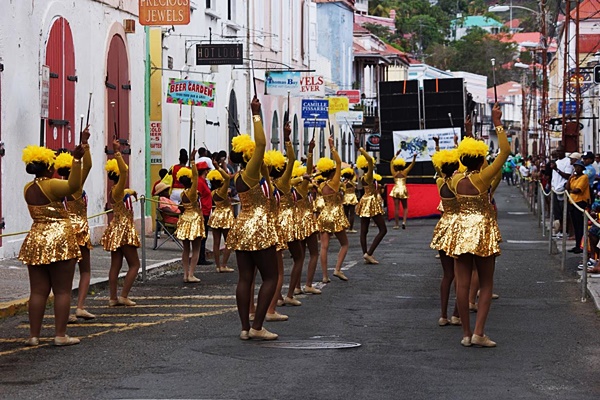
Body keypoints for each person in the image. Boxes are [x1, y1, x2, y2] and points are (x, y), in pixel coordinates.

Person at [442, 103, 509, 348]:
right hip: (482, 229)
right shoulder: (484, 177)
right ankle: (480, 331)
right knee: (486, 282)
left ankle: (466, 334)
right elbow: (504, 152)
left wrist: (468, 135)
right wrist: (497, 122)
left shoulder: (455, 179)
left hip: (460, 229)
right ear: (481, 160)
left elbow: (464, 160)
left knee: (461, 283)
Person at [19, 143, 85, 346]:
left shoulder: (28, 188)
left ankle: (33, 336)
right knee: (62, 290)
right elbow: (74, 187)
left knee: (38, 291)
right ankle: (60, 335)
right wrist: (76, 160)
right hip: (59, 238)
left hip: (36, 237)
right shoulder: (52, 185)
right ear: (48, 167)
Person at [227, 97, 279, 340]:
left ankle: (245, 328)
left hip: (242, 226)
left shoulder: (238, 176)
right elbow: (261, 143)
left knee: (245, 278)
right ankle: (257, 326)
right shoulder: (250, 172)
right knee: (271, 276)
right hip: (258, 227)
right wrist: (255, 113)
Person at [55, 128, 95, 322]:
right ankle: (80, 307)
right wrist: (84, 143)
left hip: (64, 230)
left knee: (66, 274)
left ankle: (68, 310)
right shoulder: (76, 186)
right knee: (85, 270)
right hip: (79, 230)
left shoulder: (55, 187)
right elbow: (88, 164)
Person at [101, 139, 141, 307]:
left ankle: (112, 298)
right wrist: (117, 152)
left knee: (115, 265)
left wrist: (131, 192)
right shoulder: (117, 191)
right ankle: (123, 295)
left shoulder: (115, 190)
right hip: (124, 229)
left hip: (115, 227)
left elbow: (124, 190)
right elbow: (124, 172)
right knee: (134, 264)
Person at [429, 146, 461, 327]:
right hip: (458, 228)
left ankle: (443, 315)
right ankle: (456, 314)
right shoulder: (459, 183)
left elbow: (438, 168)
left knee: (447, 275)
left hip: (443, 227)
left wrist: (438, 149)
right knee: (459, 274)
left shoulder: (440, 182)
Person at [317, 136, 350, 281]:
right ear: (331, 172)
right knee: (344, 243)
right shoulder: (335, 182)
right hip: (336, 214)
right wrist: (332, 146)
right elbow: (338, 162)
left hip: (324, 215)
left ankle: (324, 276)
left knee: (324, 247)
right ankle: (337, 269)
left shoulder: (321, 186)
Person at [292, 141, 321, 294]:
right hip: (307, 220)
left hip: (296, 221)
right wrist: (310, 152)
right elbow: (309, 169)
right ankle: (308, 284)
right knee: (314, 253)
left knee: (299, 256)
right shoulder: (302, 188)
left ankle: (296, 287)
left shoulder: (290, 188)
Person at [174, 149, 207, 282]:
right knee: (196, 249)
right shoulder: (192, 193)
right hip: (194, 220)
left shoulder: (182, 194)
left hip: (185, 220)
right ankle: (191, 274)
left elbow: (181, 207)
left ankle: (185, 274)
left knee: (186, 249)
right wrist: (192, 161)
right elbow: (195, 176)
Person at [355, 146, 387, 264]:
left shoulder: (363, 176)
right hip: (370, 201)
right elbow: (369, 160)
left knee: (364, 230)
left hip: (364, 200)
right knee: (383, 230)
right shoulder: (368, 176)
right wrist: (361, 149)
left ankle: (366, 254)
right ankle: (369, 253)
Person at [207, 167, 235, 273]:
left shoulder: (213, 192)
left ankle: (218, 266)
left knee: (216, 242)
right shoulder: (223, 191)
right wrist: (218, 167)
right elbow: (227, 178)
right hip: (225, 216)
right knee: (228, 242)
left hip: (216, 215)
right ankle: (223, 265)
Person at [565, 160, 590, 254]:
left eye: (578, 167)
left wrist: (570, 190)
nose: (576, 169)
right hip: (572, 203)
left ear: (582, 168)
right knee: (575, 225)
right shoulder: (573, 178)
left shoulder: (584, 177)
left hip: (580, 202)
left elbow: (577, 190)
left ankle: (580, 245)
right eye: (575, 167)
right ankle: (576, 245)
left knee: (580, 225)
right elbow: (567, 187)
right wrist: (570, 178)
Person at [389, 151, 417, 229]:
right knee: (405, 207)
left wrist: (396, 155)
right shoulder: (405, 172)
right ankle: (404, 222)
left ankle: (396, 224)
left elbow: (391, 163)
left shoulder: (394, 173)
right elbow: (412, 165)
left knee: (396, 208)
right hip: (403, 189)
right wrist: (414, 157)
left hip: (396, 189)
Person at [550, 148, 574, 237]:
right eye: (557, 152)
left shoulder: (567, 162)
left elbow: (567, 175)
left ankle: (565, 231)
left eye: (560, 151)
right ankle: (559, 230)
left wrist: (557, 169)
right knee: (557, 212)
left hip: (563, 190)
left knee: (564, 211)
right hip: (555, 189)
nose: (558, 153)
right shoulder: (556, 161)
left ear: (563, 152)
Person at [196, 161, 213, 266]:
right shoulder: (200, 182)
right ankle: (200, 258)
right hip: (203, 211)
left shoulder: (203, 181)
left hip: (206, 210)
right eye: (207, 170)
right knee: (203, 235)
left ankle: (201, 257)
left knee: (204, 235)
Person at [341, 167, 358, 233]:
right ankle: (351, 228)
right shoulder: (352, 182)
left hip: (345, 197)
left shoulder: (344, 183)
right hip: (352, 197)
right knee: (352, 214)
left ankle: (345, 227)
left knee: (345, 213)